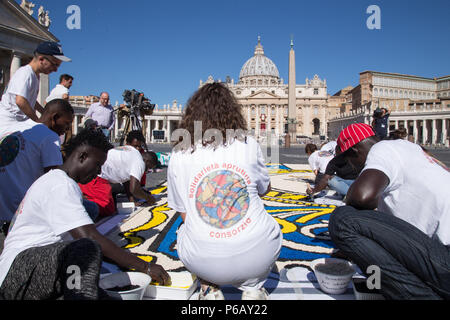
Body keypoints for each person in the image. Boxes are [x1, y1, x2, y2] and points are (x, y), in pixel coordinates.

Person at [0, 129, 169, 300]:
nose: (98, 172)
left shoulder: (58, 180)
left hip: (30, 266)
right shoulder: (60, 185)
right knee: (87, 247)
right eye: (97, 165)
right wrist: (145, 267)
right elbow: (89, 236)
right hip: (18, 272)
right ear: (82, 157)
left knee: (93, 262)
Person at [167, 82, 282, 300]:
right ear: (234, 112)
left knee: (183, 231)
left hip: (202, 257)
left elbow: (184, 213)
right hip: (258, 253)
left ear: (192, 115)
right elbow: (264, 190)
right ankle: (254, 287)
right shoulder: (248, 143)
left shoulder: (179, 152)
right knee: (269, 224)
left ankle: (209, 284)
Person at [328, 123, 450, 300]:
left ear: (355, 151)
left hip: (444, 259)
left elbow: (362, 196)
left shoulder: (383, 148)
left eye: (347, 163)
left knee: (343, 220)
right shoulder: (411, 150)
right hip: (440, 263)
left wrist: (354, 190)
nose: (352, 169)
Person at [0, 99, 74, 230]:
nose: (67, 129)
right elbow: (55, 181)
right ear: (55, 117)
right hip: (21, 214)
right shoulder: (49, 137)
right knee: (90, 208)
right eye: (67, 123)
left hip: (3, 209)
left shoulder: (13, 128)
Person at [79, 138, 158, 218]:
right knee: (108, 208)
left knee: (110, 201)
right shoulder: (140, 163)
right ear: (147, 161)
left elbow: (126, 180)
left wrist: (131, 201)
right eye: (149, 167)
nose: (147, 170)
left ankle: (85, 196)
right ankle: (79, 204)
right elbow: (134, 189)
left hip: (89, 173)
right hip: (95, 177)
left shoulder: (133, 152)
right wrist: (148, 198)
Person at [0, 41, 71, 124]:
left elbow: (30, 100)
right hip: (8, 122)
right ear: (41, 59)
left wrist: (45, 112)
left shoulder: (35, 76)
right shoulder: (26, 73)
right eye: (54, 64)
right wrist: (38, 121)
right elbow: (20, 101)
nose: (56, 70)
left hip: (17, 122)